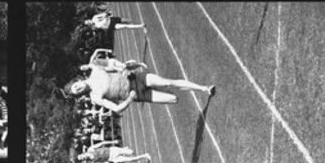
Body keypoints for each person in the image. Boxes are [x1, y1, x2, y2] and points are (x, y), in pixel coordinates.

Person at [64, 55, 215, 114]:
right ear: (79, 94)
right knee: (173, 99)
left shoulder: (96, 70)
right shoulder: (94, 97)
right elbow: (116, 108)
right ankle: (161, 88)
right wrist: (129, 99)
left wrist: (123, 68)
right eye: (76, 91)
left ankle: (204, 88)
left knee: (169, 82)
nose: (78, 88)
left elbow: (116, 66)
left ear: (77, 81)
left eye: (75, 86)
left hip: (136, 79)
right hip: (136, 94)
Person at [77, 140, 150, 163]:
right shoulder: (91, 161)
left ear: (82, 154)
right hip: (112, 158)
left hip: (112, 151)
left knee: (131, 152)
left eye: (81, 157)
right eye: (82, 159)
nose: (83, 158)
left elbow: (102, 143)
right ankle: (144, 156)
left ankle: (124, 150)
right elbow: (101, 162)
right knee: (130, 160)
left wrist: (113, 142)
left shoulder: (90, 149)